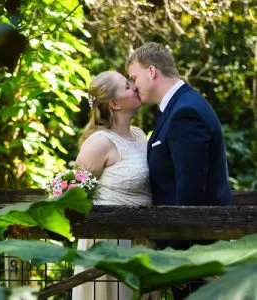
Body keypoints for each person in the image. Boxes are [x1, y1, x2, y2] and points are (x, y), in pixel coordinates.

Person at [126, 42, 234, 299]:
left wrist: (175, 257)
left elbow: (190, 192)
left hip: (195, 254)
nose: (132, 87)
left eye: (134, 78)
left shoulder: (185, 112)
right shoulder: (178, 106)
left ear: (152, 71)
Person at [72, 71, 156, 300]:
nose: (135, 88)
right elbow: (76, 193)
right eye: (128, 87)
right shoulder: (99, 143)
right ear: (114, 103)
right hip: (108, 242)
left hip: (142, 239)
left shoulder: (139, 136)